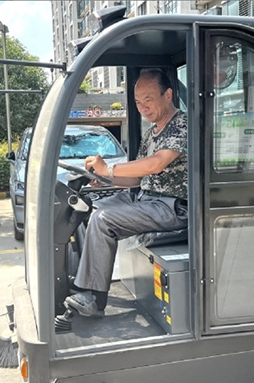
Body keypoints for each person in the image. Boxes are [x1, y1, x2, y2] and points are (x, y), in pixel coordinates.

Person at [64, 69, 188, 318]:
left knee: (104, 220)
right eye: (138, 102)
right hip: (145, 198)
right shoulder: (152, 133)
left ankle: (94, 298)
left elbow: (156, 164)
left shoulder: (182, 124)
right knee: (88, 207)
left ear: (168, 95)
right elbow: (136, 178)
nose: (143, 107)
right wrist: (104, 178)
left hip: (172, 206)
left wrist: (109, 168)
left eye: (148, 99)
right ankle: (81, 280)